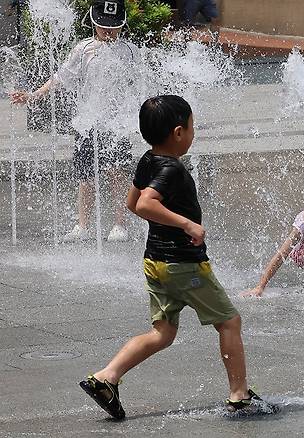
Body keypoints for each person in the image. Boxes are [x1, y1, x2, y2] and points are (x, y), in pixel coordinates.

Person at [78, 95, 260, 419]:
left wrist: (166, 218)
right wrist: (187, 223)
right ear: (178, 132)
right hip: (183, 265)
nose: (193, 134)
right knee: (230, 322)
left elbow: (132, 204)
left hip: (155, 263)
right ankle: (239, 395)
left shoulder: (147, 159)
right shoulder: (171, 168)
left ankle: (106, 378)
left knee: (162, 333)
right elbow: (146, 204)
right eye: (192, 128)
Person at [9, 0, 138, 242]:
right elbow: (61, 77)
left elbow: (139, 86)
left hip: (116, 122)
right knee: (86, 176)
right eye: (103, 26)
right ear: (93, 22)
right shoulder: (83, 49)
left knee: (117, 172)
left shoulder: (130, 51)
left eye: (113, 26)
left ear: (122, 25)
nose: (108, 31)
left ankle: (119, 224)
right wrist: (33, 95)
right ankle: (83, 225)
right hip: (87, 121)